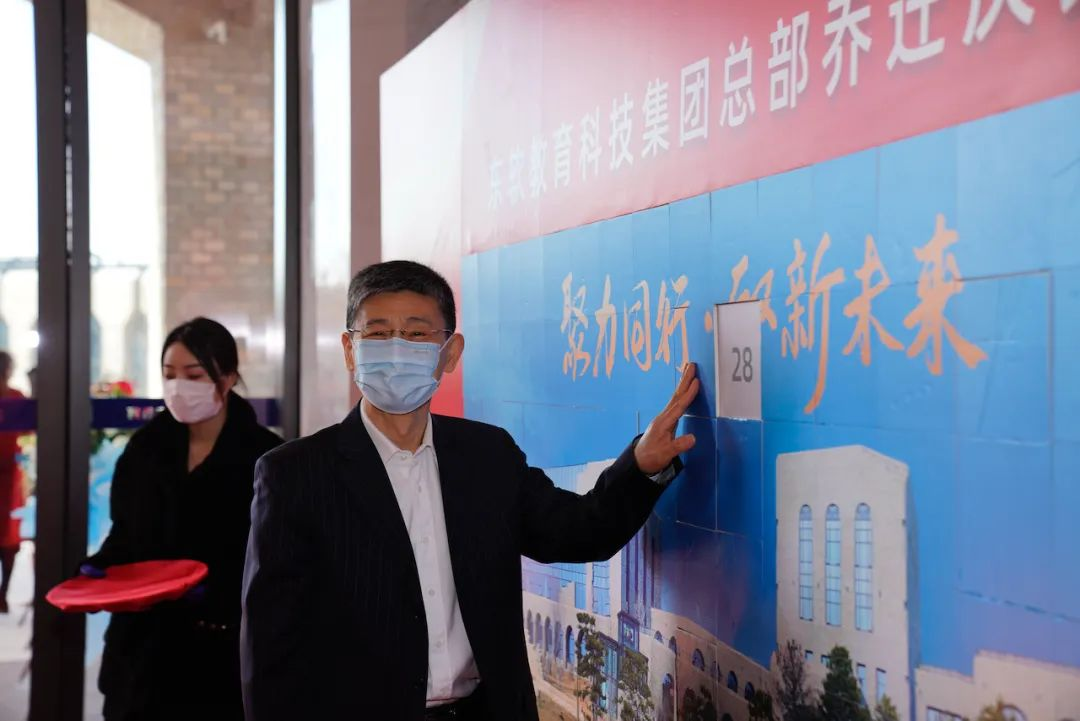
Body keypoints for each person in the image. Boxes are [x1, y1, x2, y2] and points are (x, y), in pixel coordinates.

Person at [240, 261, 699, 721]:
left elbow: (578, 531)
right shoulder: (295, 475)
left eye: (416, 334)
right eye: (377, 334)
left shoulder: (487, 456)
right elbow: (271, 644)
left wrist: (641, 465)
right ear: (349, 349)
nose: (397, 349)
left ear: (450, 352)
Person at [82, 318, 282, 721]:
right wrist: (101, 568)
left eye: (193, 375)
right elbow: (126, 533)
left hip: (220, 655)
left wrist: (214, 590)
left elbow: (277, 559)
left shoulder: (267, 458)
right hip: (143, 654)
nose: (178, 387)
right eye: (169, 374)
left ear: (228, 378)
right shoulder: (145, 449)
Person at [0, 351, 27, 613]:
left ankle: (3, 593)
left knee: (9, 537)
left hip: (9, 477)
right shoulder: (15, 397)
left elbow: (30, 427)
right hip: (8, 476)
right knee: (8, 536)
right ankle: (3, 593)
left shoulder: (17, 397)